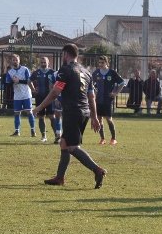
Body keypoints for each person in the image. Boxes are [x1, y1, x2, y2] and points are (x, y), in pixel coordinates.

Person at [33, 44, 107, 189]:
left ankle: (97, 170)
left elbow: (55, 92)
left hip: (73, 112)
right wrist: (94, 116)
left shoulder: (65, 70)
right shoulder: (86, 72)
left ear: (65, 54)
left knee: (72, 147)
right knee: (64, 143)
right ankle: (60, 177)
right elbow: (91, 96)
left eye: (62, 55)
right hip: (84, 112)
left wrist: (40, 107)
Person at [91, 55, 123, 145]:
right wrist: (94, 91)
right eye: (99, 63)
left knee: (109, 119)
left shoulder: (112, 73)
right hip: (98, 100)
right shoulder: (96, 73)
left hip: (108, 100)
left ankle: (113, 138)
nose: (100, 64)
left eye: (102, 63)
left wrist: (115, 93)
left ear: (106, 63)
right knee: (99, 119)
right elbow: (90, 83)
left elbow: (122, 83)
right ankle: (102, 139)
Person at [6, 54, 35, 137]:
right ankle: (17, 131)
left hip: (26, 94)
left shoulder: (25, 69)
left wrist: (19, 81)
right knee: (16, 113)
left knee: (29, 112)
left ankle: (33, 130)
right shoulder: (10, 72)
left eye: (16, 60)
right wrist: (12, 81)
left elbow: (28, 81)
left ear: (19, 61)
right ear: (11, 61)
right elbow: (7, 82)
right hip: (17, 95)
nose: (15, 61)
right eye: (13, 60)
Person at [30, 57, 57, 143]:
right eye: (41, 62)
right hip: (39, 98)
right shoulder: (36, 72)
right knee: (41, 117)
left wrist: (54, 91)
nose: (43, 64)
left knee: (52, 117)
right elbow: (29, 81)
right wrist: (33, 90)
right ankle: (43, 136)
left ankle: (57, 136)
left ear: (48, 63)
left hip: (50, 98)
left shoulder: (53, 73)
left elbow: (58, 83)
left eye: (44, 62)